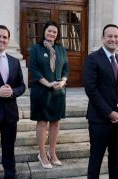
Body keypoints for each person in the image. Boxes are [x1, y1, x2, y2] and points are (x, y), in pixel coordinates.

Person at [83, 24, 118, 179]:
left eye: (116, 36)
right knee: (95, 161)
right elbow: (91, 90)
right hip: (99, 120)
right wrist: (109, 113)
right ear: (103, 38)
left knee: (117, 161)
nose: (113, 39)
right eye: (109, 36)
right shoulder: (92, 59)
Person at [29, 20, 69, 169]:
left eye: (54, 32)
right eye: (49, 31)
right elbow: (33, 69)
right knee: (42, 122)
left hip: (58, 91)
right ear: (44, 31)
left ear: (57, 35)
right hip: (41, 91)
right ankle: (42, 154)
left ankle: (53, 153)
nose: (51, 34)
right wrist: (47, 83)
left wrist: (63, 81)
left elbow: (66, 68)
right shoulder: (35, 49)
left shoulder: (61, 49)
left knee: (55, 122)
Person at [0, 25, 26, 179]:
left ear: (8, 40)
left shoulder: (14, 61)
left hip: (10, 115)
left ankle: (10, 175)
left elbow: (22, 86)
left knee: (9, 150)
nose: (1, 40)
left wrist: (13, 92)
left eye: (5, 37)